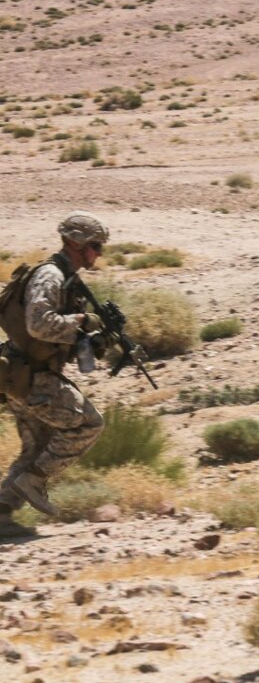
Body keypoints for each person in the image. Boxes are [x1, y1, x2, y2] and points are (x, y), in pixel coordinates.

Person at [0, 211, 111, 537]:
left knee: (36, 449)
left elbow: (52, 335)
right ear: (76, 244)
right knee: (88, 424)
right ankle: (33, 481)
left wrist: (90, 342)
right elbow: (38, 324)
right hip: (32, 378)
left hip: (24, 376)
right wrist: (80, 324)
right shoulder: (50, 276)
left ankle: (2, 513)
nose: (98, 254)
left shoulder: (67, 278)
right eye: (95, 246)